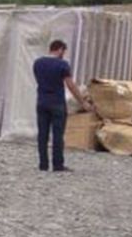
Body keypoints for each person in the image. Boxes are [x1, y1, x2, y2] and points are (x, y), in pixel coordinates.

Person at [33, 39, 94, 172]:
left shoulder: (37, 63)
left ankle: (43, 164)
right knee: (57, 135)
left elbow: (39, 80)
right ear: (60, 49)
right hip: (57, 102)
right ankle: (57, 164)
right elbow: (70, 85)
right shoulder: (62, 65)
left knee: (42, 134)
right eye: (63, 51)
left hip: (41, 101)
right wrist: (82, 102)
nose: (63, 54)